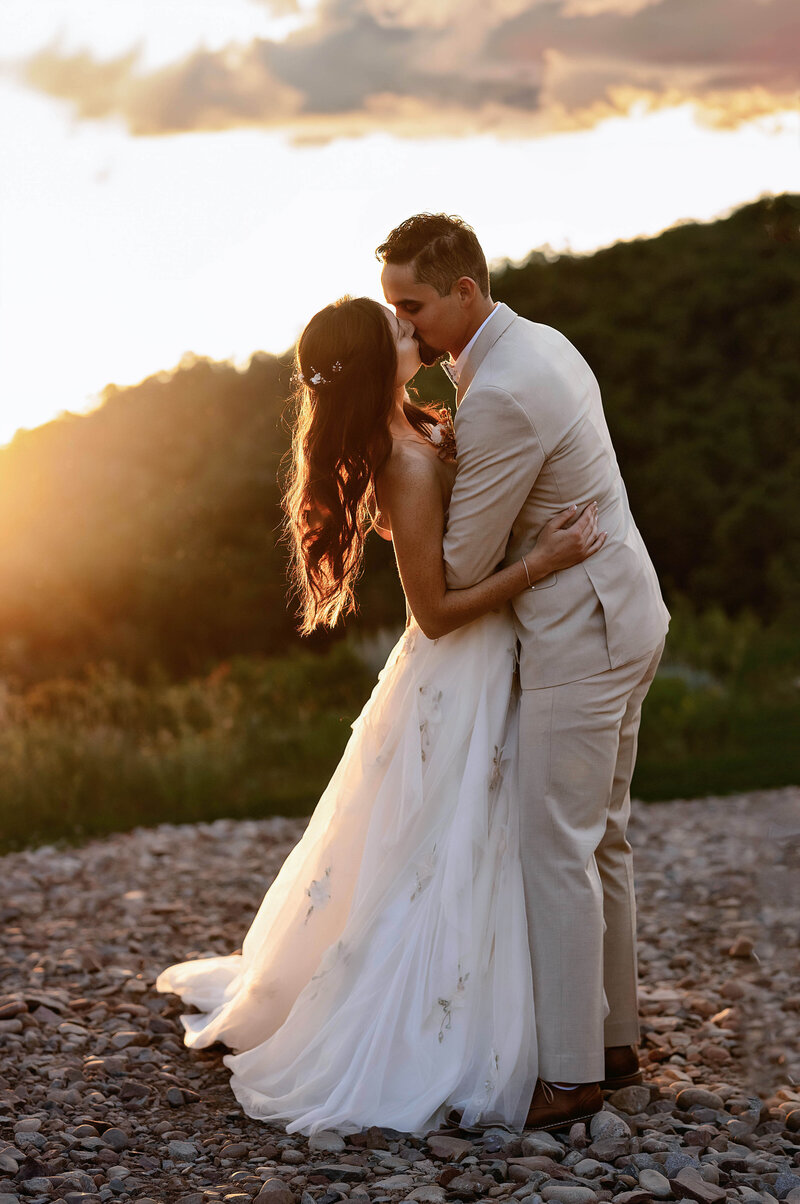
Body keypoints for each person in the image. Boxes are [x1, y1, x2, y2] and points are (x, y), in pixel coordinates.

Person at [156, 294, 605, 1136]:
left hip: (467, 665)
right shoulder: (400, 458)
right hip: (456, 661)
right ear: (372, 361)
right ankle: (431, 1026)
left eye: (408, 316)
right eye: (394, 328)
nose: (411, 330)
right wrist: (543, 561)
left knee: (460, 840)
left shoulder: (415, 427)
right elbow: (435, 611)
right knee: (445, 846)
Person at [378, 214, 670, 1131]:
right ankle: (614, 1037)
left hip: (580, 629)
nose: (408, 328)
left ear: (465, 291)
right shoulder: (540, 343)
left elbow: (459, 569)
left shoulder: (501, 389)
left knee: (555, 845)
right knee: (601, 836)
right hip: (631, 606)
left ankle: (574, 1072)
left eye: (414, 307)